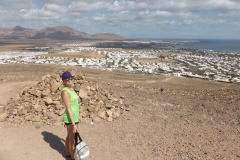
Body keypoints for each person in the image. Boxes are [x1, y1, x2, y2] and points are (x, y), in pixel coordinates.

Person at [61, 71, 80, 160]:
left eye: (70, 78)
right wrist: (73, 123)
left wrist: (79, 116)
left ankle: (68, 153)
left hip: (75, 116)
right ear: (63, 81)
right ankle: (73, 158)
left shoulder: (71, 89)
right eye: (67, 79)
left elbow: (75, 104)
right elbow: (68, 108)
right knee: (73, 140)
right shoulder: (65, 91)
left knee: (69, 136)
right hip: (70, 118)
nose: (69, 80)